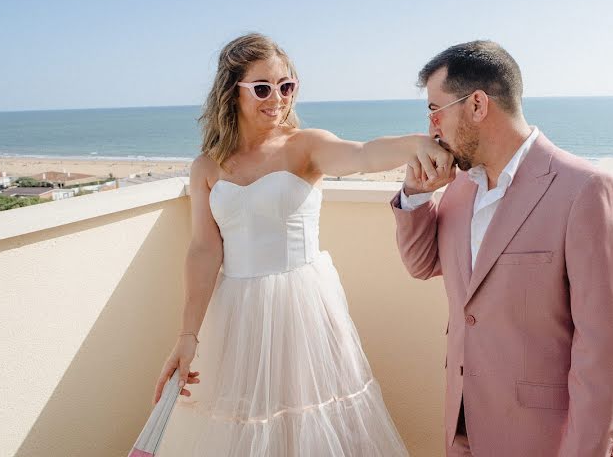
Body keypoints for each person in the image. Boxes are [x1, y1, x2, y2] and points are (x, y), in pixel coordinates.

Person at [152, 32, 452, 456]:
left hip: (301, 303)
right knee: (241, 426)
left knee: (310, 420)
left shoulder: (305, 146)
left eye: (286, 86)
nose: (276, 98)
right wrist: (187, 336)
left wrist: (416, 144)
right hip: (235, 310)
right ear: (230, 91)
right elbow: (204, 251)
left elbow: (363, 154)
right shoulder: (206, 167)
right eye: (262, 87)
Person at [391, 40, 613, 456]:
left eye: (436, 109)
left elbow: (606, 347)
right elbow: (421, 264)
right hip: (463, 425)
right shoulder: (458, 189)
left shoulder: (585, 191)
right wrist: (415, 194)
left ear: (477, 105)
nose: (431, 126)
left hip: (538, 437)